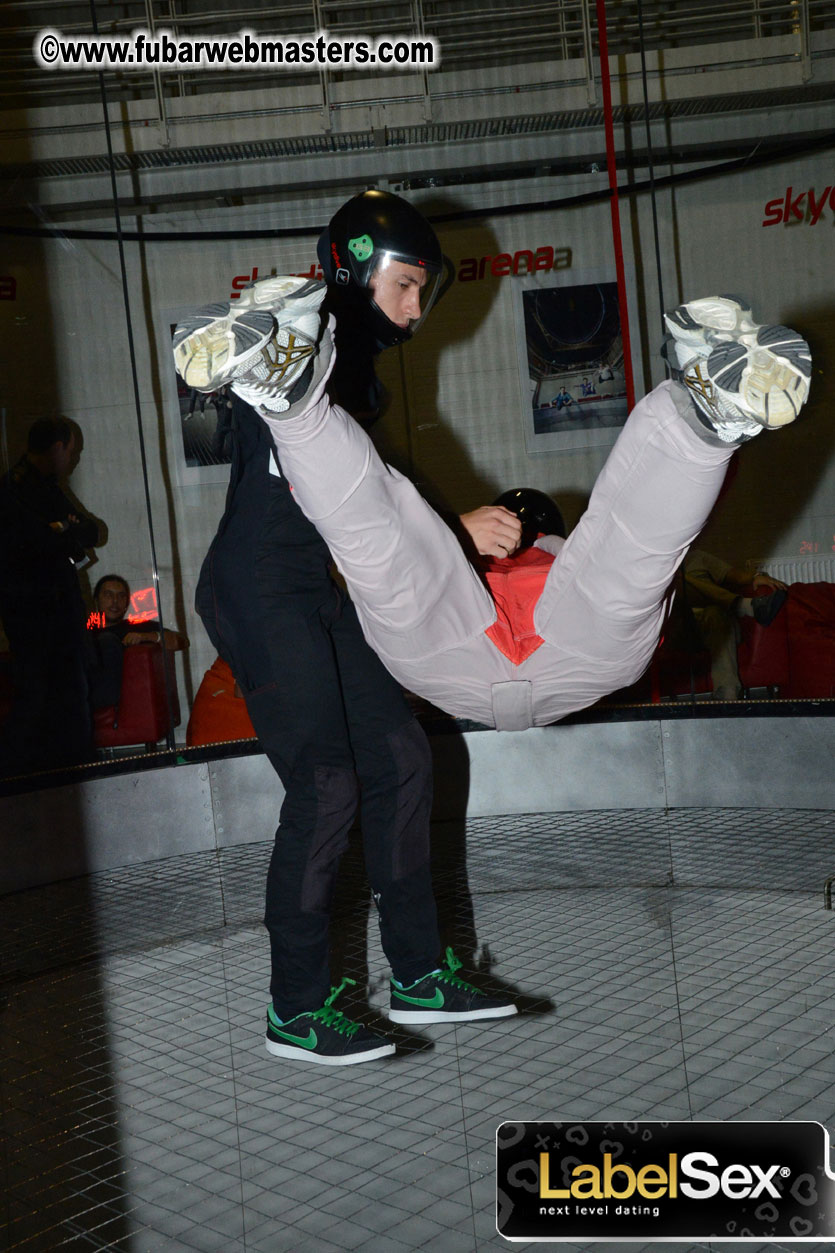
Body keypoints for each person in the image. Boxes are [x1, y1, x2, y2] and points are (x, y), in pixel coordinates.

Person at [173, 190, 518, 1067]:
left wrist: (443, 522)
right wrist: (448, 529)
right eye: (403, 287)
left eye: (421, 291)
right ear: (352, 268)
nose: (413, 310)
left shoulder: (357, 355)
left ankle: (416, 971)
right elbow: (259, 349)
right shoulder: (315, 326)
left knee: (401, 756)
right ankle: (296, 1005)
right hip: (257, 588)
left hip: (318, 589)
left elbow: (365, 480)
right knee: (327, 783)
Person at [175, 291, 811, 736]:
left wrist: (464, 542)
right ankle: (708, 419)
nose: (516, 537)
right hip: (567, 656)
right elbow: (652, 528)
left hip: (453, 660)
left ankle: (291, 401)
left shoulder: (517, 553)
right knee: (629, 556)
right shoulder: (553, 553)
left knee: (384, 545)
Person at [0, 417, 99, 774]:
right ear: (58, 448)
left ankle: (71, 771)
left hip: (55, 612)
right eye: (72, 451)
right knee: (41, 698)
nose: (73, 459)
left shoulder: (43, 487)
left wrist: (64, 531)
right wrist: (64, 532)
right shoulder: (15, 490)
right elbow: (39, 544)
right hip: (36, 616)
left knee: (69, 694)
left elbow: (89, 531)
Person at [667, 550, 788, 700]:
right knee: (673, 578)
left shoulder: (697, 557)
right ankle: (742, 605)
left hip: (716, 624)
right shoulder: (655, 567)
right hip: (680, 630)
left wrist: (757, 577)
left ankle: (727, 693)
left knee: (715, 613)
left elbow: (738, 577)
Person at [86, 574, 188, 711]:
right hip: (85, 698)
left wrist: (146, 636)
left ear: (127, 603)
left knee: (107, 641)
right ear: (96, 600)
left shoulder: (136, 627)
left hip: (119, 703)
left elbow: (182, 641)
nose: (115, 601)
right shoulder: (83, 630)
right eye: (108, 595)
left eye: (121, 596)